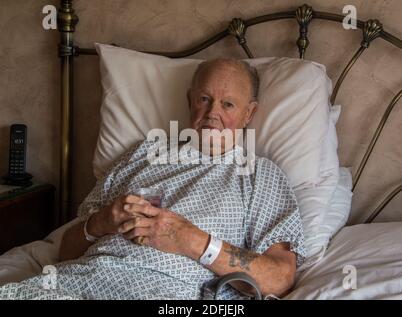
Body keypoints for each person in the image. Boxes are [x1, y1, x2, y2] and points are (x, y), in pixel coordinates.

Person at [0, 59, 306, 300]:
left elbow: (278, 277)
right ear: (190, 101)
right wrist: (102, 222)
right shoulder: (145, 153)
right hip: (76, 282)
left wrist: (190, 240)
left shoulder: (259, 175)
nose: (212, 113)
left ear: (249, 113)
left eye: (228, 104)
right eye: (204, 98)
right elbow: (66, 249)